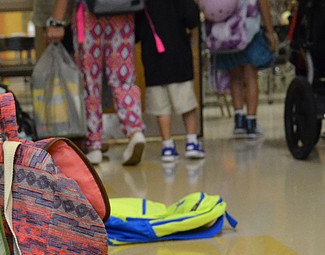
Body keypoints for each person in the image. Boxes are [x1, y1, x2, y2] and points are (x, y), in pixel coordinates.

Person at [47, 0, 147, 166]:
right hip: (123, 12)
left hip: (88, 16)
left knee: (89, 83)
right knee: (124, 78)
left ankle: (94, 146)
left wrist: (56, 21)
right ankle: (135, 131)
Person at [135, 0, 205, 162]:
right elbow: (192, 18)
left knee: (162, 107)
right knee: (186, 103)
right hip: (179, 54)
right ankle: (192, 142)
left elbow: (136, 32)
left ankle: (167, 145)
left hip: (152, 58)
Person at [214, 0, 277, 138]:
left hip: (227, 30)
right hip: (249, 28)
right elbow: (262, 3)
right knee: (250, 77)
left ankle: (239, 120)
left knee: (234, 75)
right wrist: (270, 31)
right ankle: (251, 122)